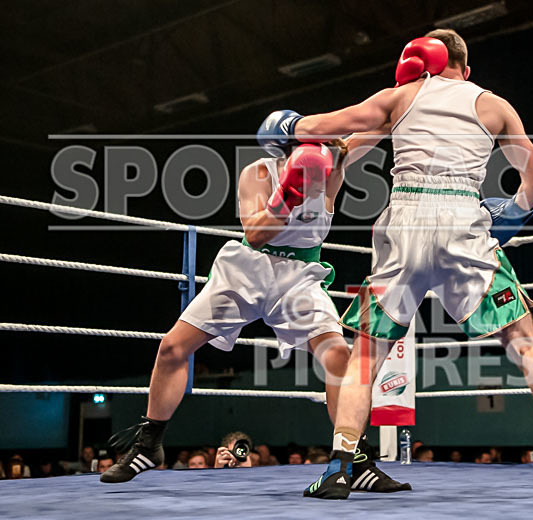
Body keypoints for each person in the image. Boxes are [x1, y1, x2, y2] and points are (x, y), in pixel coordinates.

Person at [259, 28, 533, 498]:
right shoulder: (494, 105)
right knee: (522, 341)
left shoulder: (401, 95)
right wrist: (511, 216)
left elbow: (334, 128)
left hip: (405, 222)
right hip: (464, 220)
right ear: (466, 67)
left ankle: (339, 465)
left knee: (366, 356)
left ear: (421, 61)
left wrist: (288, 128)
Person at [100, 139, 408, 494]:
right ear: (286, 151)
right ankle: (149, 444)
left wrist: (408, 96)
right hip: (247, 270)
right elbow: (256, 233)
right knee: (172, 348)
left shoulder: (332, 171)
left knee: (339, 357)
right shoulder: (259, 172)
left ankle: (356, 459)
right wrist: (290, 191)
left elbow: (371, 125)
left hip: (299, 277)